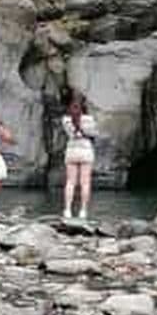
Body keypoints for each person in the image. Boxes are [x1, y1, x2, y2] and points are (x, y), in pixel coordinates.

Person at [61, 91, 97, 221]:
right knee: (85, 183)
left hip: (71, 150)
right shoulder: (89, 119)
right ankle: (83, 211)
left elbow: (69, 132)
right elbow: (93, 133)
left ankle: (67, 210)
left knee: (70, 182)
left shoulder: (65, 120)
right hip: (86, 151)